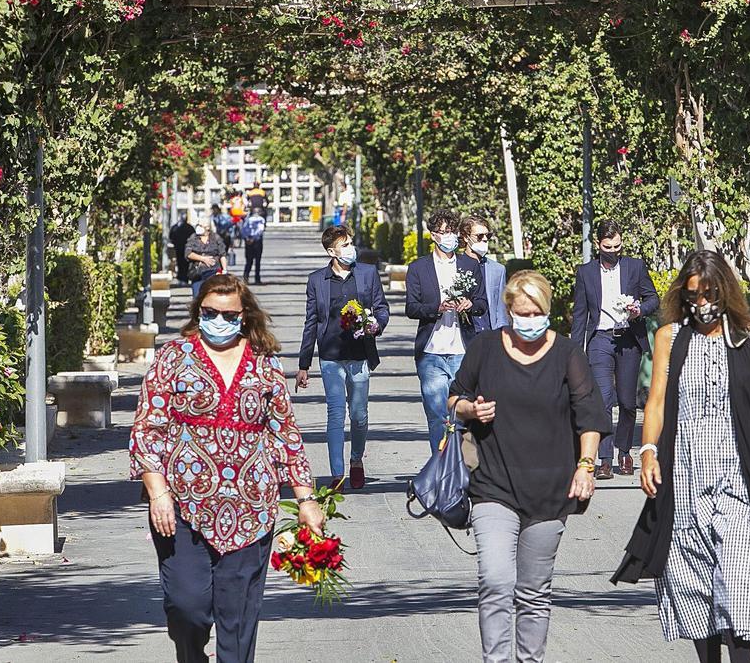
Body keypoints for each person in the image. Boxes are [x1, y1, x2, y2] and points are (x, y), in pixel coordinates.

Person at [610, 250, 750, 663]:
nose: (702, 304)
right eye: (693, 295)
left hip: (738, 478)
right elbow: (657, 403)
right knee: (694, 580)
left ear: (725, 290)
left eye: (709, 294)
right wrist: (647, 453)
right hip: (685, 479)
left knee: (743, 579)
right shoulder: (671, 337)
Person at [129, 273, 325, 663]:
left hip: (251, 509)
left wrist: (306, 498)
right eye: (210, 312)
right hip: (183, 509)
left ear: (244, 315)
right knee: (187, 609)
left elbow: (285, 432)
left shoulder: (265, 365)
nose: (219, 320)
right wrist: (158, 493)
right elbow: (146, 429)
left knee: (237, 622)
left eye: (228, 314)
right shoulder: (173, 357)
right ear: (199, 311)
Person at [448, 270, 610, 663]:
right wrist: (471, 408)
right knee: (496, 581)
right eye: (522, 313)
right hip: (493, 486)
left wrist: (586, 467)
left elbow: (589, 416)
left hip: (551, 491)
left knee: (534, 591)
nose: (530, 321)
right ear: (508, 311)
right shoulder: (486, 347)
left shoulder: (568, 353)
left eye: (537, 313)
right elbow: (454, 398)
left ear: (548, 311)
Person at [296, 225, 390, 490]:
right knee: (336, 414)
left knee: (359, 414)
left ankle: (356, 460)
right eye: (345, 245)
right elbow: (311, 322)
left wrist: (376, 325)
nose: (351, 248)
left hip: (360, 356)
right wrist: (304, 364)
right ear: (331, 251)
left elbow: (381, 307)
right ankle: (337, 474)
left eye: (351, 243)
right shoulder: (317, 280)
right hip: (331, 356)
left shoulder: (367, 273)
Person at [570, 219, 659, 479]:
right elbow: (579, 315)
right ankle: (606, 459)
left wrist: (639, 310)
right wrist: (575, 353)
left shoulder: (634, 266)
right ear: (599, 245)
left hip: (628, 338)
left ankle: (624, 452)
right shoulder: (586, 272)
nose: (613, 251)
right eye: (608, 247)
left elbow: (653, 298)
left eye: (618, 246)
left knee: (627, 401)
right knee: (604, 398)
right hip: (600, 339)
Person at [405, 211, 488, 453]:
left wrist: (470, 305)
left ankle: (462, 464)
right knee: (438, 415)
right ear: (434, 235)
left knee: (463, 413)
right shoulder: (419, 268)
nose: (449, 237)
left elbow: (482, 303)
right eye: (444, 232)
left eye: (453, 231)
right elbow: (412, 307)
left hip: (462, 350)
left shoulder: (469, 265)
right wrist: (437, 307)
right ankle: (440, 465)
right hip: (431, 352)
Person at [461, 215, 509, 333]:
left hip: (489, 334)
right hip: (464, 336)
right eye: (479, 236)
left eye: (488, 235)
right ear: (466, 238)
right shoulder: (455, 266)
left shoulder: (498, 269)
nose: (485, 239)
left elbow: (501, 309)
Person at [185, 215, 230, 297]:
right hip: (198, 272)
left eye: (200, 225)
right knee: (197, 297)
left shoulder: (215, 238)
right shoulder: (193, 238)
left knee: (212, 296)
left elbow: (222, 254)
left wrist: (224, 270)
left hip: (213, 272)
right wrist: (203, 259)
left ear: (207, 227)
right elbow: (188, 253)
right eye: (198, 225)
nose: (198, 227)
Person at [240, 206, 267, 285]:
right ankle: (257, 279)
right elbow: (260, 230)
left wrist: (246, 238)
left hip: (248, 241)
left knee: (249, 261)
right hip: (257, 241)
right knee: (257, 261)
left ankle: (246, 277)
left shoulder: (247, 219)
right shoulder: (261, 219)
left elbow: (243, 230)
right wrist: (254, 238)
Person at [170, 215, 195, 285]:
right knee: (186, 264)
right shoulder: (190, 227)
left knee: (180, 263)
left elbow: (171, 236)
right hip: (187, 249)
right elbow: (194, 237)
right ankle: (185, 278)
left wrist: (174, 243)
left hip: (179, 248)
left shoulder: (176, 227)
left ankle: (181, 278)